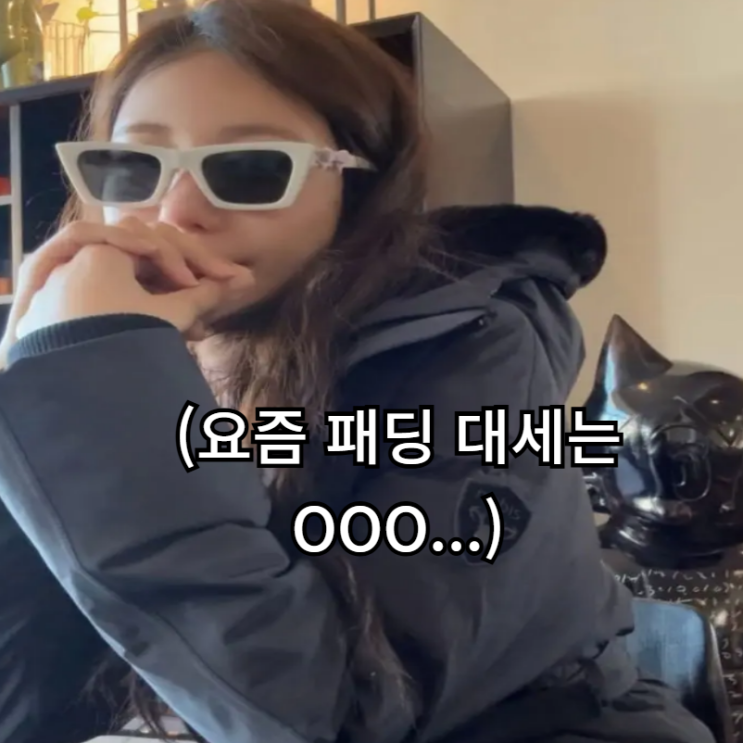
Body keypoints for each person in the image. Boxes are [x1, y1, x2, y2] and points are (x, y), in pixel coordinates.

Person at [0, 1, 717, 743]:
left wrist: (96, 380)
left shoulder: (473, 348)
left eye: (251, 168)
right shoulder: (145, 360)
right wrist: (38, 399)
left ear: (359, 187)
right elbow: (26, 705)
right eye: (133, 166)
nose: (177, 212)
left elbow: (341, 717)